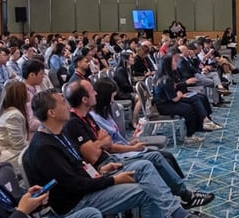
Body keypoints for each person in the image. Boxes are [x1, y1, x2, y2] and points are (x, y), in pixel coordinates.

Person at [24, 91, 191, 218]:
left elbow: (76, 170)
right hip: (75, 203)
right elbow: (74, 185)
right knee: (145, 193)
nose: (66, 105)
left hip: (85, 188)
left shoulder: (58, 135)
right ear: (52, 113)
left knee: (145, 180)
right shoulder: (45, 147)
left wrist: (101, 171)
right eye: (62, 102)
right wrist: (113, 180)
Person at [61, 80, 216, 218]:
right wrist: (103, 142)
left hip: (111, 160)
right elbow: (94, 155)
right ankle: (177, 215)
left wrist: (101, 143)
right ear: (84, 99)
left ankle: (184, 197)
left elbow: (109, 143)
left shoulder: (88, 117)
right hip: (104, 168)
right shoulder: (73, 123)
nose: (95, 93)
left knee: (155, 156)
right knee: (147, 166)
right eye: (91, 91)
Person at [90, 78, 214, 210]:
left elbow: (114, 139)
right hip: (120, 156)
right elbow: (109, 146)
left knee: (167, 157)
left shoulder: (105, 113)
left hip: (125, 149)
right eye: (111, 98)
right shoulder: (96, 118)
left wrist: (129, 143)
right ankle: (183, 195)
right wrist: (131, 147)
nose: (113, 101)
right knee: (159, 158)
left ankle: (182, 193)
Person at [0, 81, 30, 182]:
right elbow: (19, 145)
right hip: (6, 154)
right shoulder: (14, 115)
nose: (28, 92)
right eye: (26, 90)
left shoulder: (11, 111)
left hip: (7, 150)